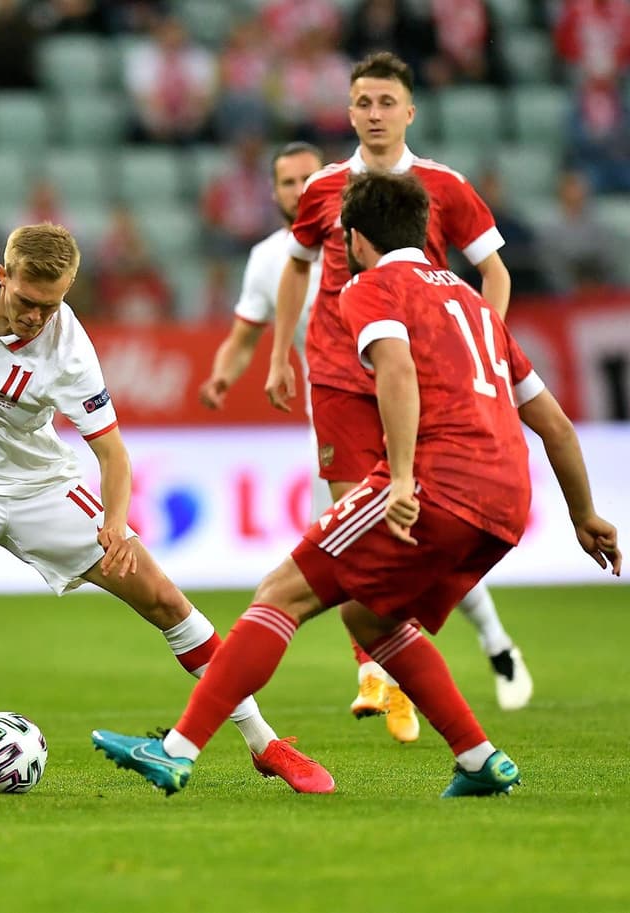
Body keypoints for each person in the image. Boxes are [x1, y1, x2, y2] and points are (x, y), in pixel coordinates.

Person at [94, 171, 621, 798]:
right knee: (370, 618)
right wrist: (585, 513)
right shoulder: (477, 305)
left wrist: (400, 479)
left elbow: (395, 370)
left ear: (354, 239)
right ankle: (479, 759)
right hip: (508, 502)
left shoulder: (369, 287)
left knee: (281, 593)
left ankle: (176, 750)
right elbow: (555, 424)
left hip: (435, 482)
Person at [0, 223, 333, 798]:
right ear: (2, 276)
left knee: (164, 598)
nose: (38, 317)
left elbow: (112, 453)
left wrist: (114, 522)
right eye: (28, 302)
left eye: (53, 303)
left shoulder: (70, 349)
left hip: (42, 486)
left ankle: (265, 743)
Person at [264, 52, 532, 732]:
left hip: (420, 382)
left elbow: (493, 272)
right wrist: (280, 352)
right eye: (363, 103)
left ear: (409, 111)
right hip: (337, 375)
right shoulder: (325, 188)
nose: (375, 114)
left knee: (410, 528)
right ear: (349, 111)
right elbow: (296, 268)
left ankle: (446, 645)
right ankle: (377, 674)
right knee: (356, 519)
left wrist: (485, 342)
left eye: (387, 102)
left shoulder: (444, 185)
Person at [199, 141, 332, 513]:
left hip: (396, 408)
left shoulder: (363, 239)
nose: (300, 189)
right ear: (273, 193)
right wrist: (221, 377)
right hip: (328, 419)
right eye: (288, 182)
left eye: (309, 178)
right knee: (332, 542)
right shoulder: (267, 259)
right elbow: (242, 340)